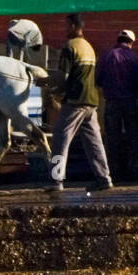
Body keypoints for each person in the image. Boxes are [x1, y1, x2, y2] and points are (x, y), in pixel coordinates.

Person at [48, 14, 112, 192]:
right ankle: (104, 178)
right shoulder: (88, 47)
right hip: (91, 102)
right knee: (94, 142)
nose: (64, 30)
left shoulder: (69, 47)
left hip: (75, 101)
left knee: (60, 139)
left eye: (66, 26)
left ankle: (56, 180)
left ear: (74, 27)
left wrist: (52, 88)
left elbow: (63, 77)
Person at [94, 29, 138, 183]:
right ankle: (133, 173)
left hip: (112, 103)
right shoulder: (135, 59)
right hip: (131, 103)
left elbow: (98, 80)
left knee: (112, 139)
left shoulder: (105, 57)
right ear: (131, 42)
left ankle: (113, 173)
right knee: (133, 139)